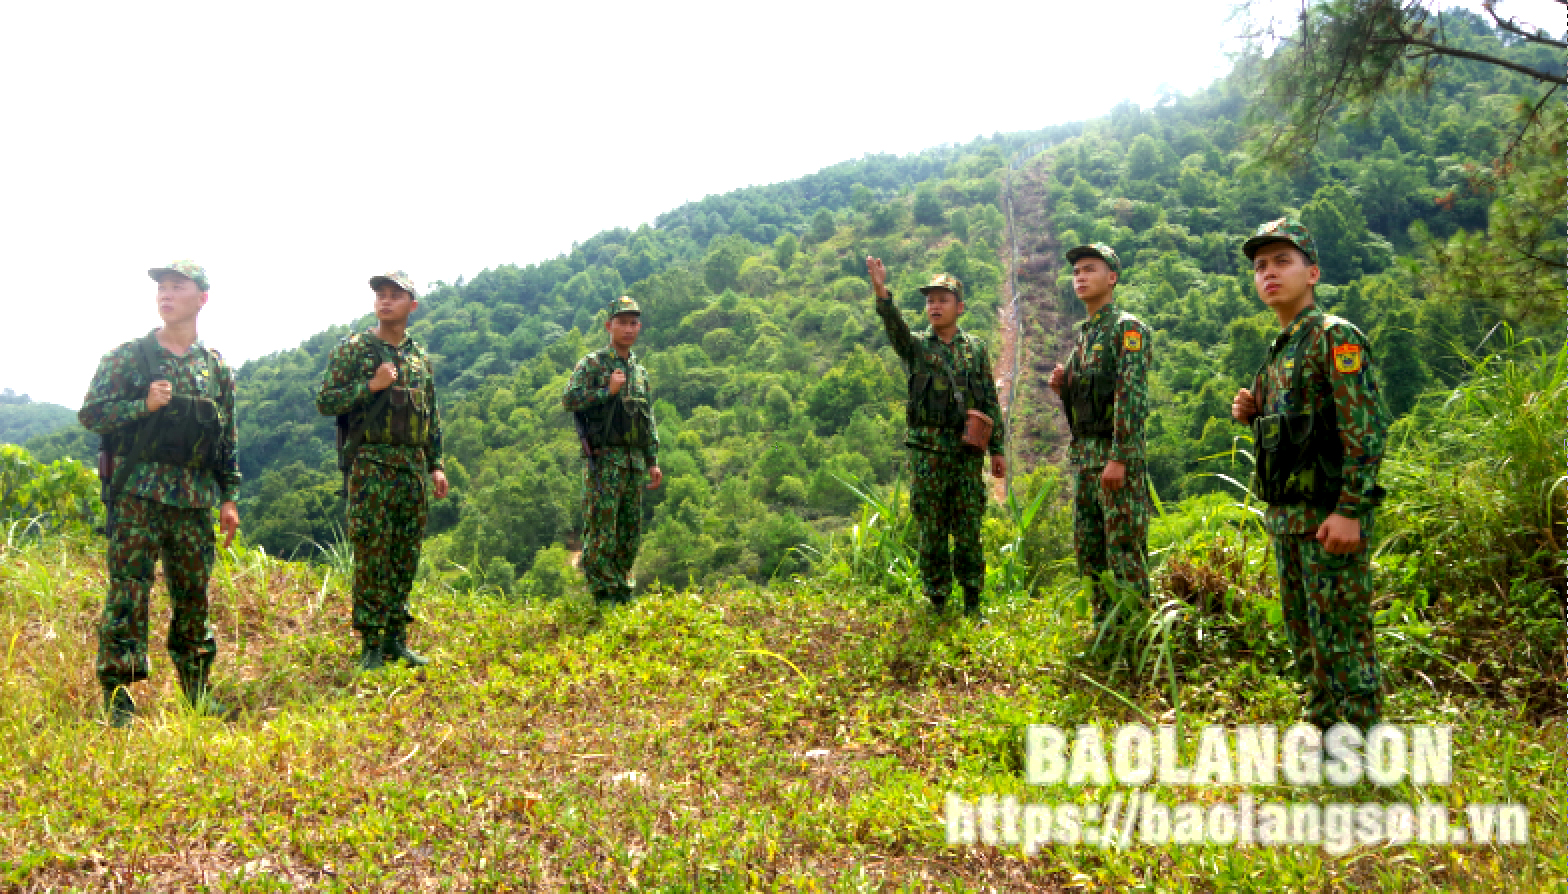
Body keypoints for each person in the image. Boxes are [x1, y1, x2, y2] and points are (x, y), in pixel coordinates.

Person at [1230, 218, 1387, 731]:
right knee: (1304, 633)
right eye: (1260, 266)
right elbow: (1299, 430)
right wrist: (1254, 413)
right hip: (1288, 520)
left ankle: (1359, 735)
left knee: (1342, 631)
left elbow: (1363, 429)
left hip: (1327, 517)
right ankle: (1323, 726)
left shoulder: (1332, 336)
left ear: (1312, 272)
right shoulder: (1279, 351)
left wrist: (1350, 511)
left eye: (1282, 262)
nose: (1269, 273)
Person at [79, 260, 241, 726]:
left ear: (201, 299)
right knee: (129, 593)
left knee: (194, 596)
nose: (166, 294)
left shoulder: (216, 367)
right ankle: (118, 697)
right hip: (137, 496)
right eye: (161, 288)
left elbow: (226, 437)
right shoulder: (128, 357)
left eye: (177, 287)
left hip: (193, 500)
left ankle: (196, 691)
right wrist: (142, 405)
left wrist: (228, 496)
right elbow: (91, 415)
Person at [316, 271, 449, 671]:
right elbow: (326, 400)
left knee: (404, 554)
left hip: (410, 468)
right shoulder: (355, 349)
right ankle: (371, 644)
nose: (386, 301)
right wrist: (371, 387)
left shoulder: (419, 358)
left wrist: (436, 464)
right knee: (372, 554)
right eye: (381, 295)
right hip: (370, 464)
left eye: (395, 295)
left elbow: (431, 416)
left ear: (412, 306)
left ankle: (396, 639)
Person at [867, 259, 1006, 616]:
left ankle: (973, 601)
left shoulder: (975, 349)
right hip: (928, 453)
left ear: (959, 307)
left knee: (969, 528)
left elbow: (989, 399)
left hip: (966, 454)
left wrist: (998, 450)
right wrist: (881, 291)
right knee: (932, 529)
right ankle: (937, 600)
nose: (935, 305)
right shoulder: (916, 348)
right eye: (930, 300)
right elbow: (894, 326)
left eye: (943, 299)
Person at [1048, 243, 1152, 632]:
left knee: (1125, 553)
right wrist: (1065, 388)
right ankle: (1104, 633)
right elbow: (1087, 403)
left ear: (1112, 278)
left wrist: (1121, 457)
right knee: (1090, 554)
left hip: (1113, 459)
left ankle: (1137, 638)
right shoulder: (1084, 338)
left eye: (1090, 269)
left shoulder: (1127, 329)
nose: (1080, 277)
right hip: (1086, 458)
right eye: (1076, 271)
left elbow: (1131, 395)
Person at [562, 295, 663, 606]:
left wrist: (652, 460)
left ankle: (622, 589)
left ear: (639, 327)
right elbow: (570, 399)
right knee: (602, 530)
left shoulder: (640, 372)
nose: (629, 328)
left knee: (629, 531)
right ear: (609, 326)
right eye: (622, 322)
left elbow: (647, 418)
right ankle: (603, 593)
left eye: (634, 322)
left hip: (633, 462)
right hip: (605, 460)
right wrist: (608, 391)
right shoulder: (594, 364)